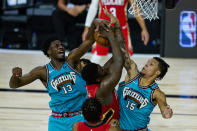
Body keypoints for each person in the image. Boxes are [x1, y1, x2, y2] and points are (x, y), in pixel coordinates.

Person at [9, 19, 105, 131]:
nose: (61, 47)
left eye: (61, 45)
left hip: (79, 117)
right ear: (49, 51)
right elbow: (14, 85)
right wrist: (14, 77)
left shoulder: (72, 60)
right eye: (56, 45)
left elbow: (88, 41)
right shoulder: (42, 71)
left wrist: (94, 24)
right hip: (57, 121)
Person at [117, 26, 173, 130]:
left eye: (151, 64)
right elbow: (123, 51)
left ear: (157, 72)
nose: (146, 64)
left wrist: (168, 113)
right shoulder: (133, 74)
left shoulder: (157, 94)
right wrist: (117, 28)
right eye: (148, 62)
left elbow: (165, 113)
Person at [81, 8, 124, 124]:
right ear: (98, 79)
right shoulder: (104, 87)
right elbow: (120, 59)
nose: (103, 67)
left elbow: (119, 54)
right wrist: (110, 35)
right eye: (101, 69)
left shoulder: (95, 80)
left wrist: (97, 21)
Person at [82, 0, 150, 62]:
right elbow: (93, 8)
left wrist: (144, 29)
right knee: (97, 57)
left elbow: (136, 9)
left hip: (121, 28)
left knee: (126, 58)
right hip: (103, 28)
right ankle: (90, 74)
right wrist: (86, 28)